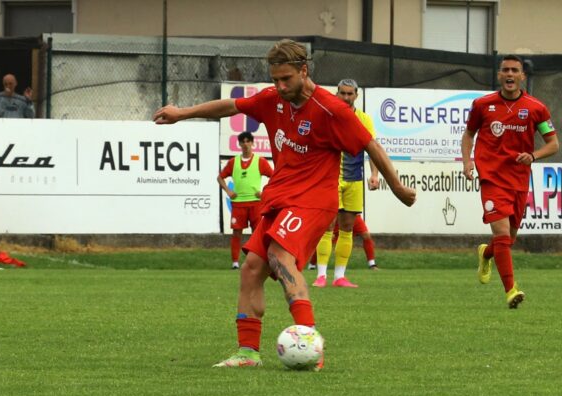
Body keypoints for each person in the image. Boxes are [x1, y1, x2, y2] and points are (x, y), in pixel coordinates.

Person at [154, 39, 416, 369]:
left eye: (286, 79)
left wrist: (397, 186)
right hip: (280, 198)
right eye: (275, 78)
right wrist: (183, 114)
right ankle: (247, 353)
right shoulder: (272, 99)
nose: (279, 86)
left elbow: (369, 144)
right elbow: (231, 107)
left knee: (279, 255)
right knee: (251, 268)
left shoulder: (331, 110)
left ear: (303, 71)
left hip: (313, 202)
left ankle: (309, 344)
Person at [461, 54, 559, 309]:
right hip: (492, 178)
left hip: (518, 180)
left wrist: (533, 155)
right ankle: (510, 290)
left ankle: (486, 253)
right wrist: (468, 162)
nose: (509, 74)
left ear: (522, 76)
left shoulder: (536, 108)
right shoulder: (483, 105)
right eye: (505, 70)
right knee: (502, 233)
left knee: (508, 239)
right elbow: (468, 135)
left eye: (515, 70)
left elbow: (554, 144)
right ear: (499, 75)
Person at [312, 79, 379, 288]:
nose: (346, 97)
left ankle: (339, 276)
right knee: (327, 225)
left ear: (356, 95)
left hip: (354, 179)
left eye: (350, 94)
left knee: (347, 227)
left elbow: (373, 148)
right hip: (331, 177)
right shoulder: (327, 116)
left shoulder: (364, 119)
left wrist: (375, 175)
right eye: (343, 93)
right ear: (336, 94)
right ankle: (320, 275)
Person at [218, 131, 273, 270]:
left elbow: (274, 177)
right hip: (238, 204)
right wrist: (228, 191)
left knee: (257, 233)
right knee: (237, 233)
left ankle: (258, 261)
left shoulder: (260, 161)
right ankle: (235, 263)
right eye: (243, 141)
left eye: (248, 141)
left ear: (252, 143)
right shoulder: (233, 162)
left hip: (255, 203)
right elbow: (220, 178)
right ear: (239, 144)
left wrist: (264, 193)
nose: (246, 144)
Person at [308, 213, 379, 271]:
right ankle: (312, 264)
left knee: (366, 235)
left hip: (354, 214)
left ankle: (372, 264)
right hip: (339, 216)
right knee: (328, 239)